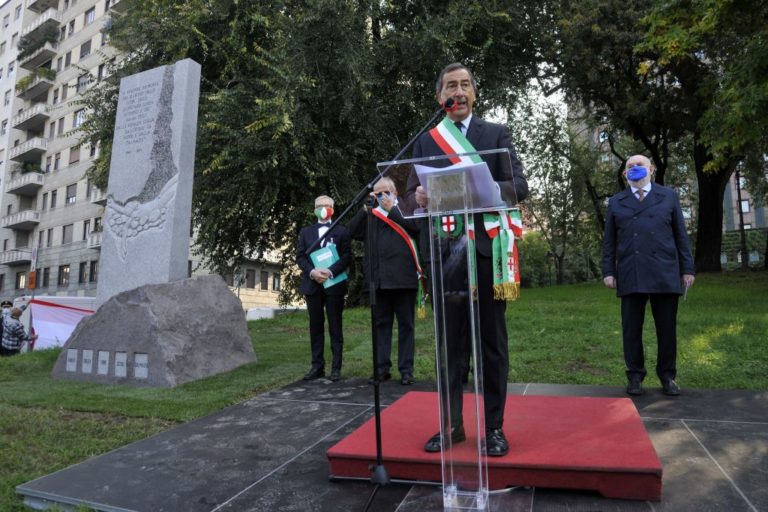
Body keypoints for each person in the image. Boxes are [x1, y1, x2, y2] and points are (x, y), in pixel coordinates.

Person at [404, 63, 529, 457]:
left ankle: (494, 428)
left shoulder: (495, 134)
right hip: (446, 257)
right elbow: (409, 195)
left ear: (474, 93)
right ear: (440, 97)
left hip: (486, 254)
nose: (458, 92)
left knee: (491, 345)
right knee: (450, 348)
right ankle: (452, 425)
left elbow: (519, 185)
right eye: (450, 86)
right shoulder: (427, 140)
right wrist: (419, 200)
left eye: (465, 85)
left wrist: (488, 188)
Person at [602, 154, 695, 396]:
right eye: (629, 166)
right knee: (631, 329)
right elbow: (609, 241)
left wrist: (687, 269)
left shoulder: (669, 196)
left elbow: (681, 236)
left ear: (651, 169)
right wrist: (608, 271)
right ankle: (635, 376)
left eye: (639, 165)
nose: (634, 168)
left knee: (667, 329)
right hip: (631, 271)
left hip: (665, 271)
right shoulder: (616, 201)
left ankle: (667, 376)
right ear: (624, 174)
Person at [348, 177, 422, 386]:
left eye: (384, 193)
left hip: (403, 279)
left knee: (406, 326)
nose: (380, 197)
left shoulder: (406, 208)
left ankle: (406, 370)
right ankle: (381, 369)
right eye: (376, 194)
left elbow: (416, 228)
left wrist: (391, 209)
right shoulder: (371, 215)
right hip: (378, 282)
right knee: (381, 326)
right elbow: (351, 232)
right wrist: (364, 208)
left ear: (394, 193)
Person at [296, 195, 352, 382]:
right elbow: (300, 257)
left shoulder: (342, 231)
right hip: (313, 285)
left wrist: (329, 271)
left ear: (333, 209)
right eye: (319, 206)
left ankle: (336, 367)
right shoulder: (305, 232)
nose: (323, 208)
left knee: (335, 325)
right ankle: (317, 366)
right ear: (314, 209)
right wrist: (312, 272)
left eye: (327, 206)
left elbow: (346, 256)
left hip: (334, 284)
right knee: (315, 326)